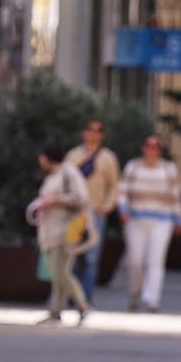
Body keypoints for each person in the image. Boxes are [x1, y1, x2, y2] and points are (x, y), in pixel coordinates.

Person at [117, 133, 181, 313]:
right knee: (135, 260)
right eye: (148, 145)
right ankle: (134, 293)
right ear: (143, 147)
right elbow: (122, 190)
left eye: (156, 146)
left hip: (161, 220)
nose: (151, 150)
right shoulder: (133, 167)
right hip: (136, 219)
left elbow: (175, 196)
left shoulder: (169, 169)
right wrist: (122, 209)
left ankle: (152, 299)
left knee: (156, 260)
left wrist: (178, 218)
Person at [31, 141, 91, 327]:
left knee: (61, 273)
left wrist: (54, 200)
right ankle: (56, 311)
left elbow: (80, 197)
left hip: (65, 231)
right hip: (50, 231)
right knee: (56, 274)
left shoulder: (68, 172)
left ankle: (83, 305)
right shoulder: (53, 176)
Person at [64, 118, 119, 301]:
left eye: (97, 130)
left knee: (91, 257)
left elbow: (113, 186)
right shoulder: (72, 156)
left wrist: (106, 207)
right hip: (74, 212)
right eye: (89, 129)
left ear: (101, 134)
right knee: (71, 255)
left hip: (95, 213)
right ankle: (73, 296)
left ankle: (85, 298)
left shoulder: (108, 158)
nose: (93, 133)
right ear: (83, 132)